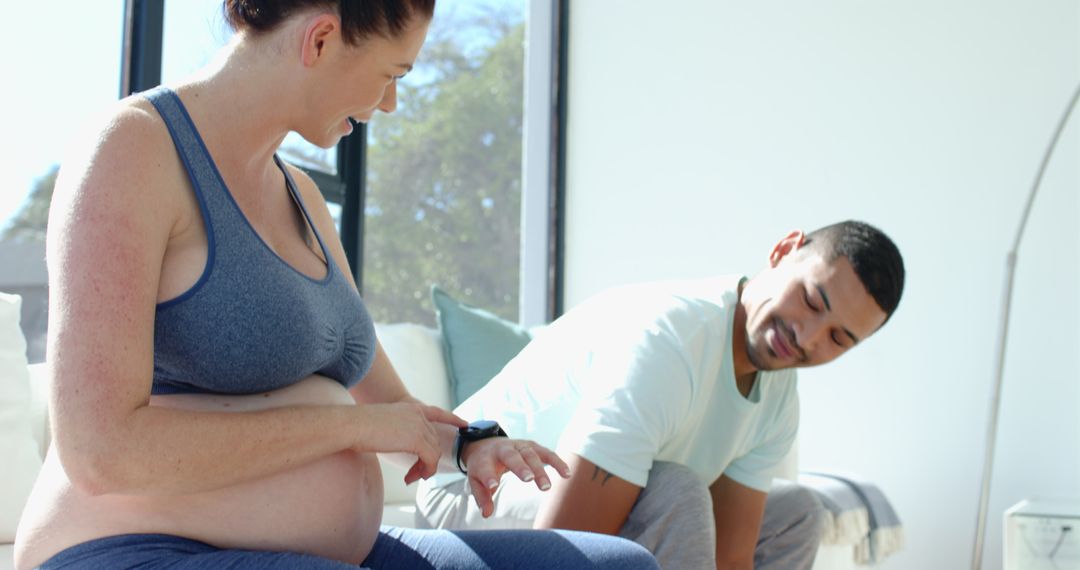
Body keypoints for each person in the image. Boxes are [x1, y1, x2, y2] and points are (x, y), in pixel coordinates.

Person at [12, 1, 659, 569]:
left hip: (326, 548)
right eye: (391, 74)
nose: (389, 104)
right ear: (320, 40)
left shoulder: (304, 198)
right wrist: (351, 430)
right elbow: (100, 452)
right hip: (131, 550)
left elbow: (396, 414)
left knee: (616, 564)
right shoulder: (132, 151)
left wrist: (470, 447)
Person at [416, 220, 906, 570]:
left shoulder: (777, 399)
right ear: (783, 250)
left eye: (838, 338)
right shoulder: (671, 341)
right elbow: (563, 546)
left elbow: (732, 558)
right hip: (469, 490)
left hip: (574, 505)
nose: (807, 336)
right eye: (811, 299)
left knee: (797, 512)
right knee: (675, 491)